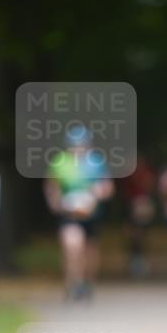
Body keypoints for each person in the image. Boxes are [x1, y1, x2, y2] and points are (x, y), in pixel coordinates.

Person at [43, 126, 114, 300]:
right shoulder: (60, 162)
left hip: (91, 214)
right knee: (72, 246)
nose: (78, 148)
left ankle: (87, 283)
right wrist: (56, 204)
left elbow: (108, 188)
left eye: (81, 145)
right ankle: (72, 283)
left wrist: (98, 193)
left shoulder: (96, 162)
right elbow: (51, 185)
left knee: (90, 251)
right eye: (74, 145)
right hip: (69, 215)